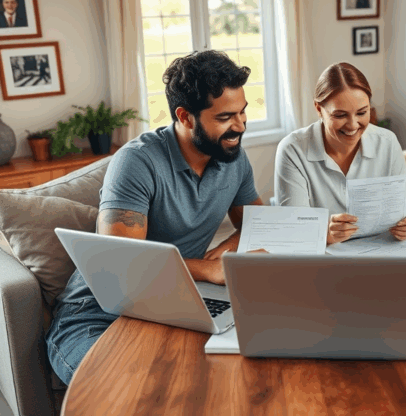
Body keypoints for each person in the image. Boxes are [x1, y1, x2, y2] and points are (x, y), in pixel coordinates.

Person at [45, 50, 266, 384]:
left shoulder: (231, 156)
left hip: (184, 301)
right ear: (186, 116)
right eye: (225, 117)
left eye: (243, 112)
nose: (240, 125)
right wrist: (207, 268)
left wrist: (226, 252)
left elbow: (259, 223)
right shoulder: (137, 161)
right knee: (123, 387)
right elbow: (121, 264)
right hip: (99, 312)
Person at [275, 62, 406, 245]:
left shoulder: (387, 142)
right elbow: (293, 226)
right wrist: (326, 233)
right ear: (318, 109)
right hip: (327, 252)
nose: (353, 125)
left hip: (380, 247)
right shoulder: (293, 150)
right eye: (340, 115)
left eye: (362, 113)